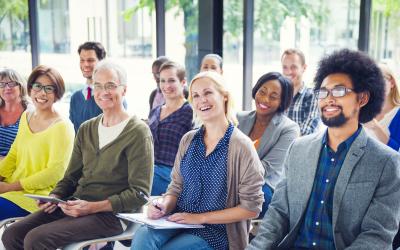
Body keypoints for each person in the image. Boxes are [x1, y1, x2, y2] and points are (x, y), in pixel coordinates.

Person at [247, 49, 400, 250]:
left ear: (362, 99)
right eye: (322, 92)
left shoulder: (386, 162)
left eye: (338, 91)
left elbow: (376, 236)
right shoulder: (298, 149)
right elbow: (278, 214)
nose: (328, 99)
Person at [2, 60, 154, 249]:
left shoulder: (138, 132)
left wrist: (93, 207)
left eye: (111, 86)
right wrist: (55, 196)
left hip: (111, 215)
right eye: (97, 85)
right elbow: (70, 176)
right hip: (75, 205)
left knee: (36, 239)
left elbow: (139, 193)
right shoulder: (87, 128)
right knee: (12, 234)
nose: (103, 92)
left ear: (124, 90)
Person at [131, 71, 264, 250]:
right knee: (143, 236)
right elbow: (176, 187)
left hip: (216, 231)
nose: (202, 100)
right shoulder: (188, 140)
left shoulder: (241, 146)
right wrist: (163, 205)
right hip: (178, 220)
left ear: (224, 96)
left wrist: (200, 218)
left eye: (208, 93)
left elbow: (252, 208)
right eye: (196, 96)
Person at [0, 65, 74, 220]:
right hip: (12, 189)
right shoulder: (26, 116)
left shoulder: (62, 127)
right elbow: (14, 154)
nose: (42, 93)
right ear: (30, 88)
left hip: (38, 198)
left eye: (49, 88)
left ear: (57, 93)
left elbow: (54, 173)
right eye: (38, 86)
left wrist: (9, 187)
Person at [237, 72, 299, 219]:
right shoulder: (239, 118)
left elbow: (266, 169)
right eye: (262, 92)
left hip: (263, 186)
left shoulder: (289, 129)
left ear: (282, 101)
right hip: (233, 180)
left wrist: (231, 177)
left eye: (273, 96)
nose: (265, 99)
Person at [148, 61, 193, 196]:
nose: (166, 86)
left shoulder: (190, 112)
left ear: (183, 82)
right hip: (150, 169)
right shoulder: (155, 111)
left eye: (172, 80)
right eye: (163, 81)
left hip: (173, 174)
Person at [69, 41, 130, 133]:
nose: (85, 64)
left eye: (90, 60)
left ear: (102, 61)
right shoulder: (75, 98)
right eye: (82, 60)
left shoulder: (112, 97)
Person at [281, 48, 320, 135]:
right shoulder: (279, 95)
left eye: (293, 67)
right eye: (285, 67)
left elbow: (308, 132)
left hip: (301, 148)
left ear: (304, 68)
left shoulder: (312, 96)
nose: (288, 72)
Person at [364, 63, 400, 151]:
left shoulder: (397, 114)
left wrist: (376, 128)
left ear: (392, 83)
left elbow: (397, 151)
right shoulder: (364, 109)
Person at [0, 68, 30, 160]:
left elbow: (30, 151)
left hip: (16, 167)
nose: (7, 88)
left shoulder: (30, 112)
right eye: (2, 84)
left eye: (12, 83)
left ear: (21, 87)